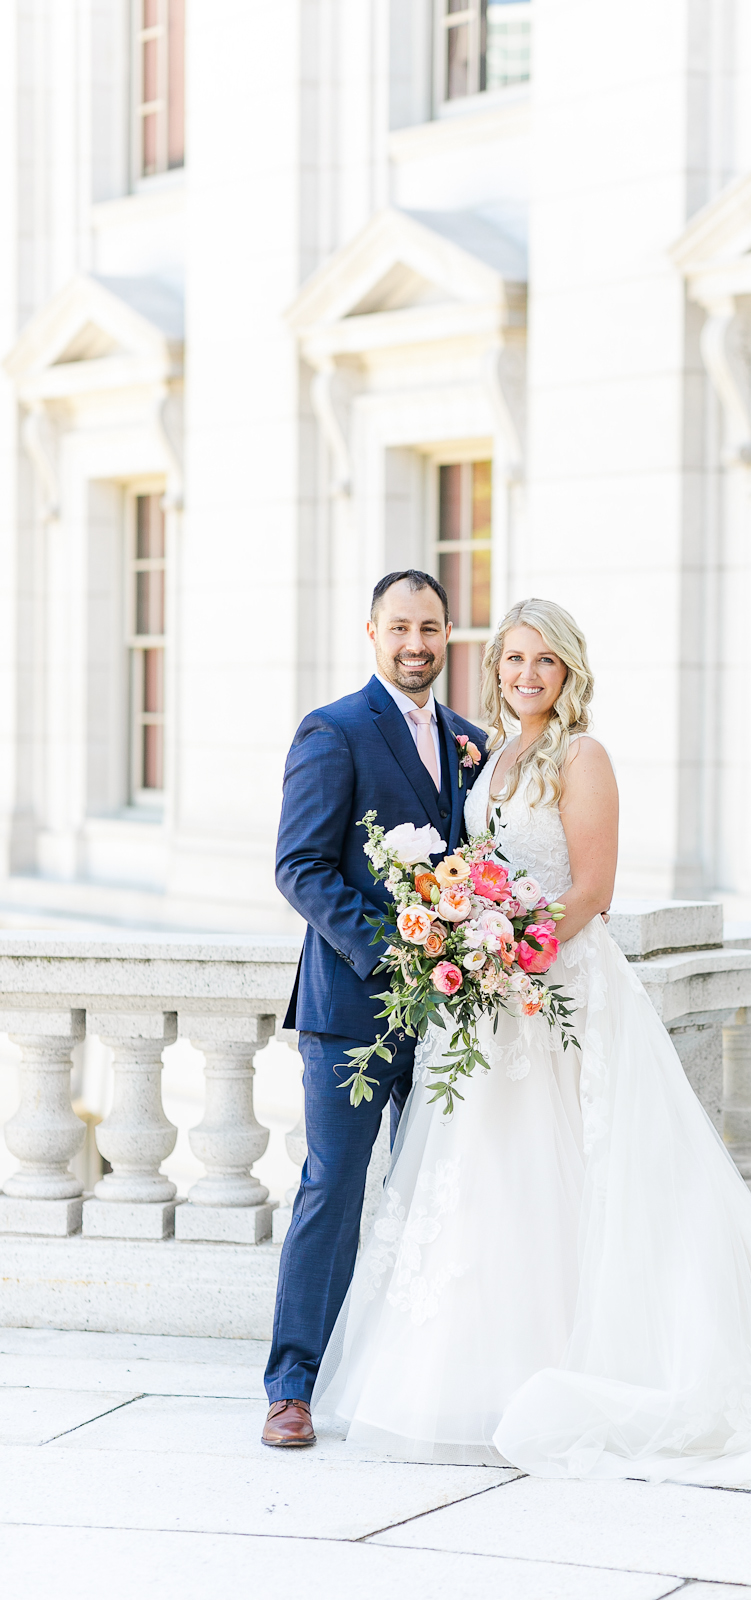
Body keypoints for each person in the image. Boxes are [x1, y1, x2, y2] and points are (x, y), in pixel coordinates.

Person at [310, 597, 751, 1483]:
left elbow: (594, 890)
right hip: (490, 1001)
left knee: (576, 1173)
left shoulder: (583, 757)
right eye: (513, 660)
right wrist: (474, 943)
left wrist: (508, 952)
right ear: (494, 669)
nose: (526, 675)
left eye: (544, 662)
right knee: (494, 1178)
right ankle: (489, 1379)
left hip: (555, 987)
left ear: (569, 671)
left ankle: (590, 1369)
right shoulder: (488, 757)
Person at [261, 570, 487, 1447]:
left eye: (430, 628)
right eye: (399, 628)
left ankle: (406, 1375)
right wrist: (393, 952)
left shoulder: (472, 741)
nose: (415, 644)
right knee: (333, 1188)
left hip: (452, 1017)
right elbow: (300, 867)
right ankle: (292, 1386)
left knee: (437, 1189)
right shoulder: (334, 729)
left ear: (447, 633)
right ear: (371, 632)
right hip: (353, 1011)